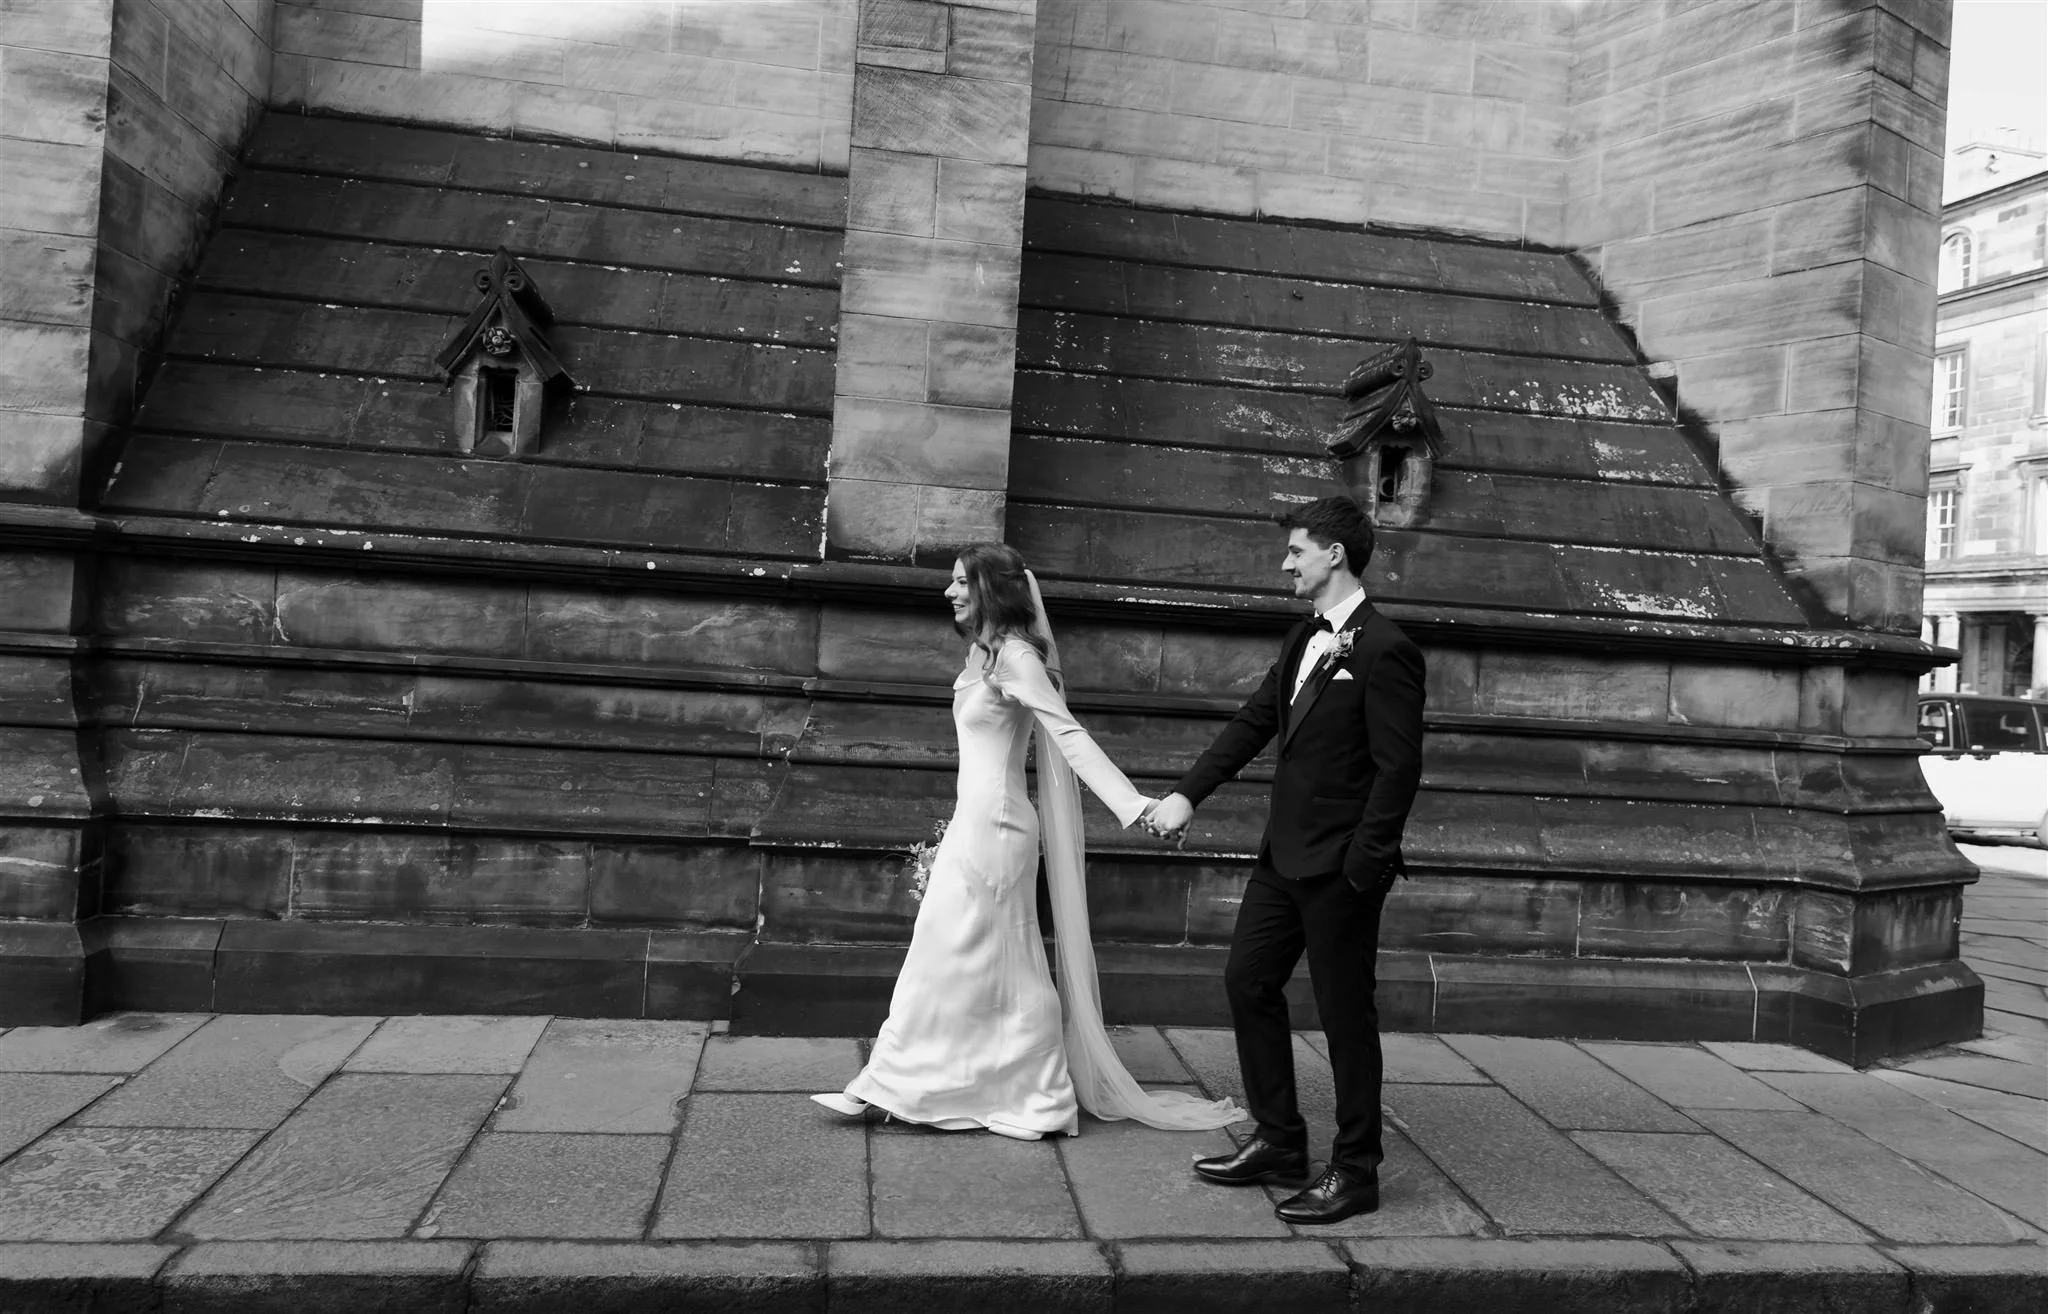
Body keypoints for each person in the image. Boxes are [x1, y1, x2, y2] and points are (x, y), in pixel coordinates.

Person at [813, 542, 1243, 1139]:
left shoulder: (1016, 658)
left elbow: (1068, 735)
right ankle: (1009, 1093)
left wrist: (1136, 804)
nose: (949, 591)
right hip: (976, 821)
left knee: (954, 950)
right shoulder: (982, 654)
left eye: (961, 581)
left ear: (992, 588)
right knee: (980, 959)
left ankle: (940, 1087)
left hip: (998, 828)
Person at [1144, 496, 1425, 1224]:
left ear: (1334, 553)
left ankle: (1356, 1170)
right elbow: (1255, 722)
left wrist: (1363, 868)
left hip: (1340, 870)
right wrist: (1186, 795)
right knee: (1247, 981)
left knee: (1344, 1019)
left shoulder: (1386, 648)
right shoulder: (1304, 636)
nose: (1286, 563)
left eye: (1296, 550)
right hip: (1282, 859)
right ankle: (1279, 1139)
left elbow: (1398, 772)